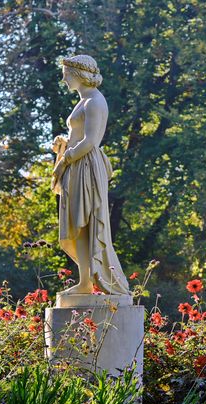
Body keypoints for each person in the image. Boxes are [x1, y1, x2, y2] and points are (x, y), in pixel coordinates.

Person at [51, 54, 130, 296]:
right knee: (77, 224)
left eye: (66, 74)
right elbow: (79, 136)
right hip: (77, 166)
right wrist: (64, 143)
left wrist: (65, 160)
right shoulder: (84, 100)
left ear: (78, 74)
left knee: (85, 223)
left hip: (85, 166)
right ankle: (84, 281)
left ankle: (97, 281)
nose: (64, 79)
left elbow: (90, 142)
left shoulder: (95, 101)